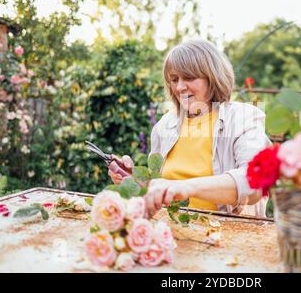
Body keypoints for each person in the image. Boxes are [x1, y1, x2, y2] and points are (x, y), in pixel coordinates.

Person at [108, 39, 271, 218]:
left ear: (213, 77)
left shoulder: (243, 117)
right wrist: (135, 181)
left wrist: (185, 186)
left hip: (225, 234)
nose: (179, 87)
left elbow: (254, 183)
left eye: (189, 77)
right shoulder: (164, 126)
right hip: (171, 229)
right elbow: (161, 191)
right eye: (174, 79)